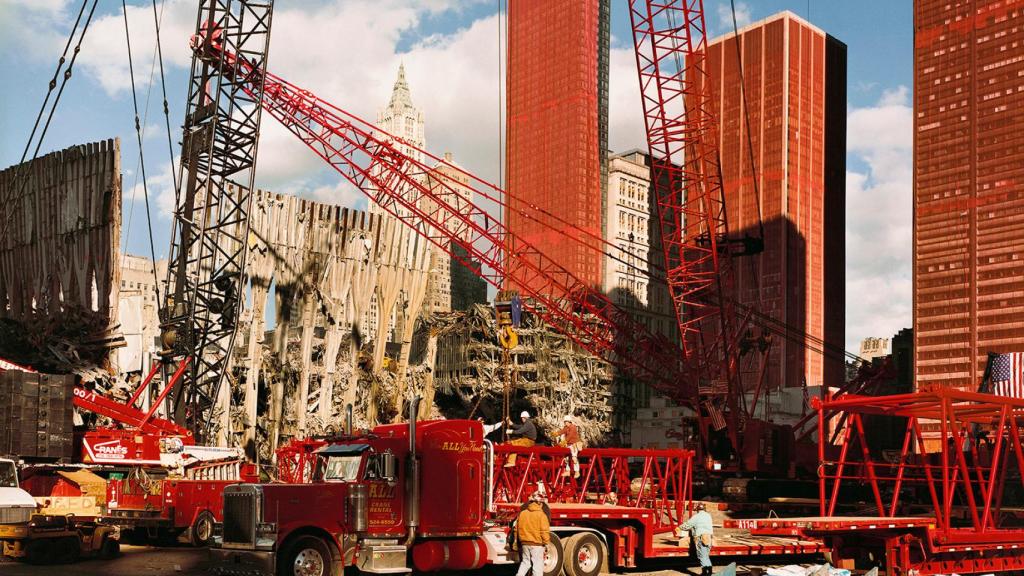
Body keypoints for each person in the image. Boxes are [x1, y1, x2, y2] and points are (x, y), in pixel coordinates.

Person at [514, 491, 551, 576]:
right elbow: (544, 531)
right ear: (539, 503)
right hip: (537, 544)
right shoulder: (542, 515)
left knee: (525, 563)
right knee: (537, 567)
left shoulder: (523, 513)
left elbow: (516, 528)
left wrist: (516, 542)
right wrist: (547, 543)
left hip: (524, 543)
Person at [677, 502, 714, 576]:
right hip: (709, 538)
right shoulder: (708, 516)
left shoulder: (696, 516)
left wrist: (679, 527)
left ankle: (705, 573)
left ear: (697, 509)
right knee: (706, 556)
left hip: (701, 538)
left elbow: (688, 525)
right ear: (704, 509)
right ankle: (709, 572)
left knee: (702, 556)